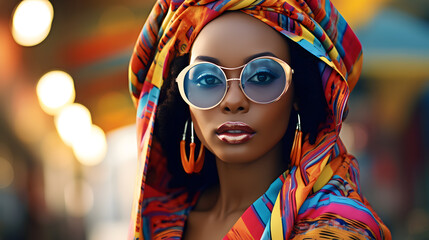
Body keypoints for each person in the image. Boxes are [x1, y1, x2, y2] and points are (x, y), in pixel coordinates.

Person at [128, 0, 391, 239]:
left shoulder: (338, 228)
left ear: (298, 92)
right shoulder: (157, 222)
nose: (232, 101)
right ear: (183, 99)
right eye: (207, 79)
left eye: (262, 76)